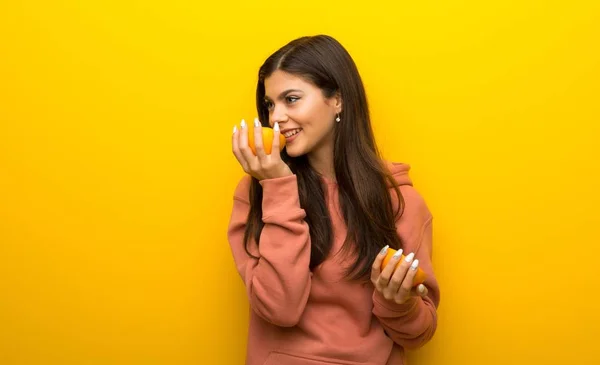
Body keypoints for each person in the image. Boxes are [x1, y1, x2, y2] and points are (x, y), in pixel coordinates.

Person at [227, 34, 440, 365]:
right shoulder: (257, 192)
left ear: (337, 99)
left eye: (291, 99)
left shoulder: (401, 202)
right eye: (270, 104)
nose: (275, 119)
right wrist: (279, 186)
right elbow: (280, 308)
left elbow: (420, 333)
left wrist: (398, 303)